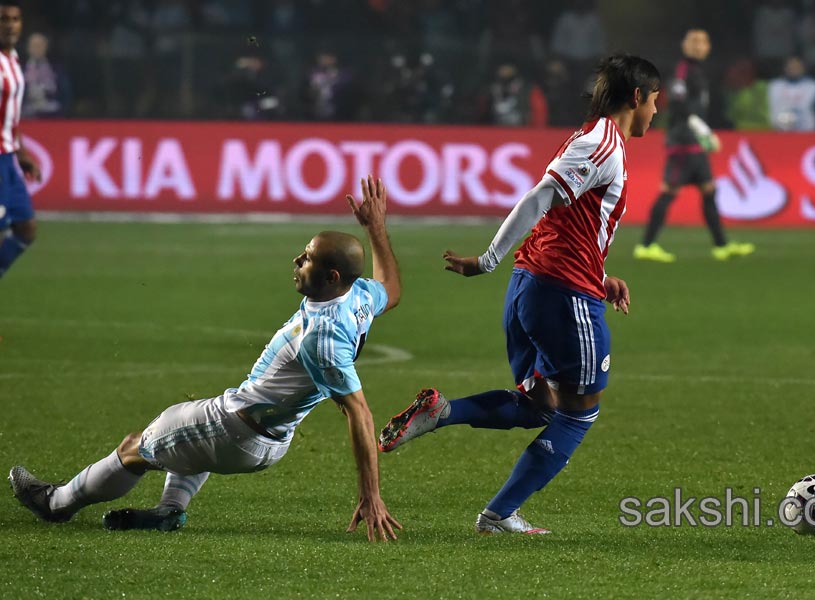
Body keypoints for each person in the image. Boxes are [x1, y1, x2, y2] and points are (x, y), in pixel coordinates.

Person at [9, 176, 404, 542]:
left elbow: (359, 413)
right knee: (190, 429)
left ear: (332, 276)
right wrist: (375, 228)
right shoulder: (360, 296)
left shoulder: (324, 337)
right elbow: (391, 288)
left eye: (307, 258)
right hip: (267, 435)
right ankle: (168, 511)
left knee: (136, 447)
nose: (297, 261)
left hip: (238, 430)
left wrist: (370, 495)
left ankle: (56, 504)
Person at [377, 54, 659, 534]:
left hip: (534, 286)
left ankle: (442, 412)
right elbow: (538, 198)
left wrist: (602, 273)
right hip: (562, 296)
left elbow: (571, 221)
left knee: (539, 404)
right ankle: (498, 515)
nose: (656, 111)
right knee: (580, 412)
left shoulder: (593, 139)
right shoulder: (602, 143)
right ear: (637, 98)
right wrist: (487, 259)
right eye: (655, 101)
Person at [633, 29, 754, 263]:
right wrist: (704, 131)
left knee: (709, 190)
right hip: (683, 142)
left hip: (695, 143)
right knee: (669, 191)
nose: (699, 46)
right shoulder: (683, 70)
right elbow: (678, 104)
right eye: (694, 41)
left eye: (703, 41)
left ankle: (721, 246)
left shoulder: (697, 70)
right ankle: (645, 245)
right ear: (684, 45)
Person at [0, 0, 42, 279]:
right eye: (4, 19)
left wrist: (21, 151)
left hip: (7, 159)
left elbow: (10, 116)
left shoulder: (13, 60)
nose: (10, 24)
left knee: (26, 228)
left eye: (15, 19)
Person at [767, 56, 815, 132]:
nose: (793, 69)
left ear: (803, 68)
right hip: (778, 133)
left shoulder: (813, 86)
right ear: (785, 68)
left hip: (807, 133)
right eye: (790, 66)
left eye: (797, 67)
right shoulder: (774, 86)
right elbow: (764, 109)